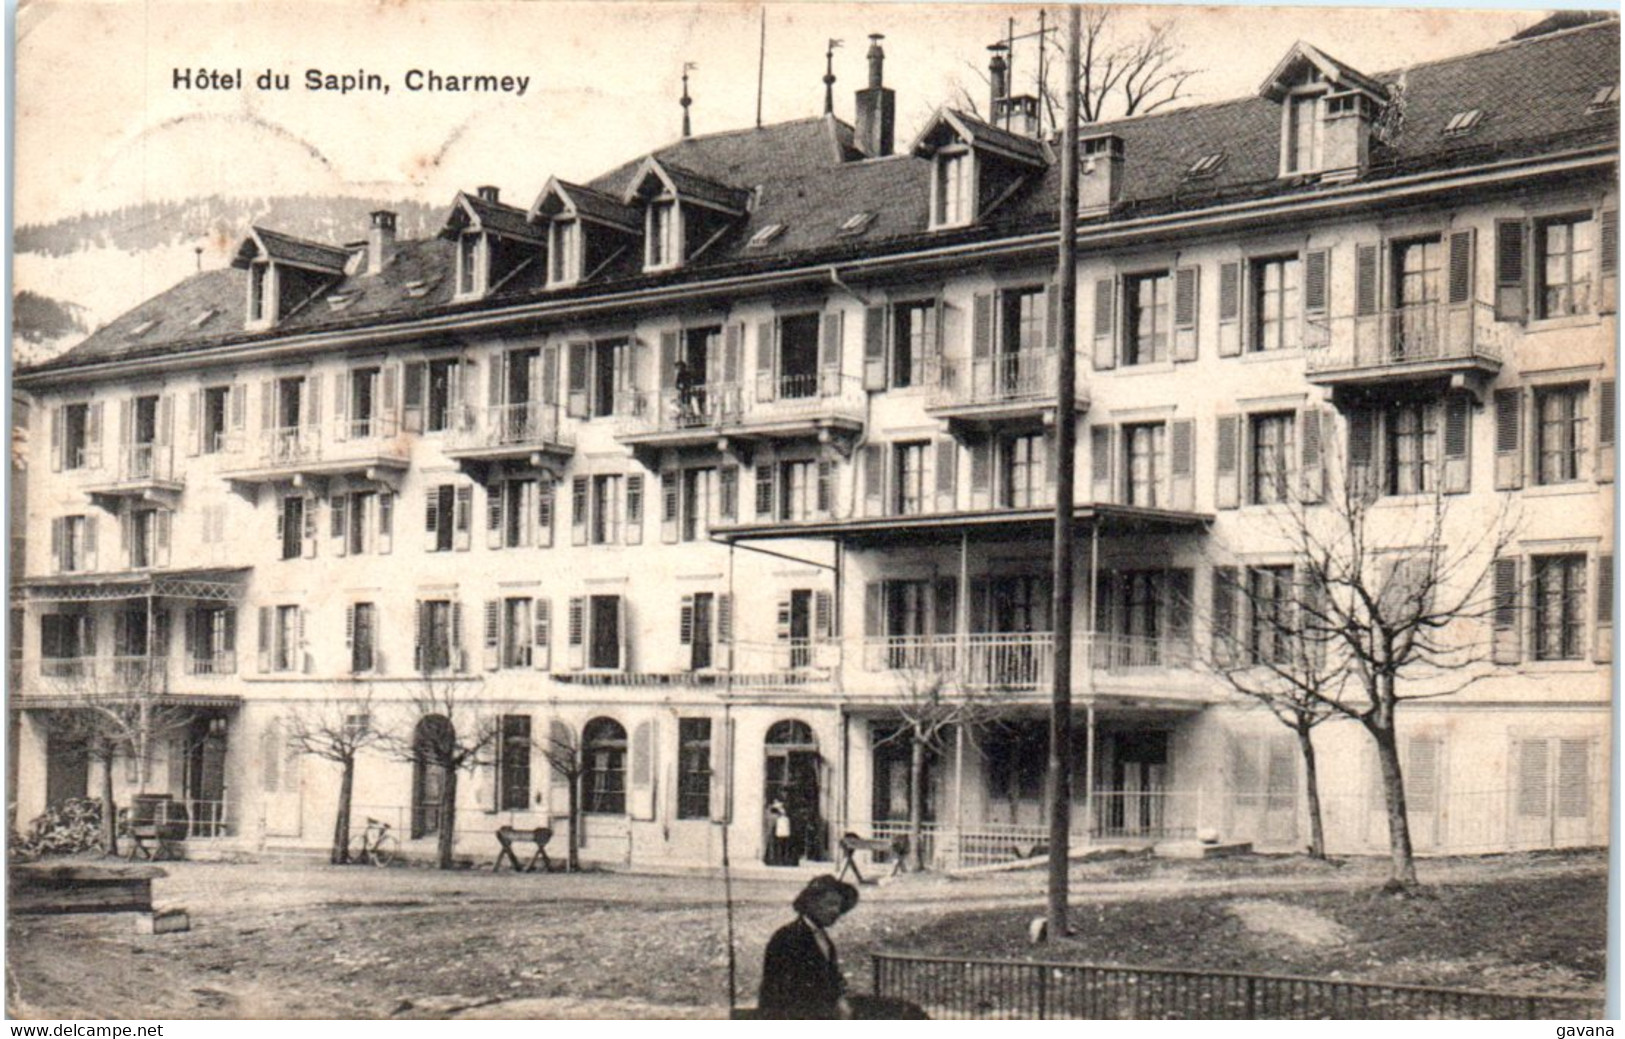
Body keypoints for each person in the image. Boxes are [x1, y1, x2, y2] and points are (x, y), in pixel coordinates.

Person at [758, 875, 927, 1020]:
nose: (836, 911)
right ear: (811, 903)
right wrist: (838, 1005)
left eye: (839, 905)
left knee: (906, 1011)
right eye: (830, 904)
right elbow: (788, 992)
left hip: (825, 1009)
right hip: (798, 1016)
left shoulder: (822, 938)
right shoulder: (788, 938)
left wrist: (841, 995)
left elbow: (829, 980)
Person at [767, 799, 792, 866]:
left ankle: (779, 860)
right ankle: (778, 860)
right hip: (780, 833)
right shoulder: (780, 818)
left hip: (780, 833)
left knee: (779, 846)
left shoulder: (781, 818)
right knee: (779, 846)